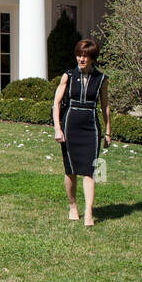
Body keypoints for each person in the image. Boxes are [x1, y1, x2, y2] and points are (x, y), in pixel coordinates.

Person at [53, 38, 111, 226]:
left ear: (92, 58)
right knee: (70, 170)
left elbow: (105, 105)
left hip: (91, 127)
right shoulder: (68, 76)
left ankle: (88, 213)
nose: (81, 59)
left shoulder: (101, 79)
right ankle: (73, 206)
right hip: (70, 125)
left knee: (90, 170)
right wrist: (57, 128)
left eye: (85, 56)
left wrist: (108, 131)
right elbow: (56, 103)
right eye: (79, 55)